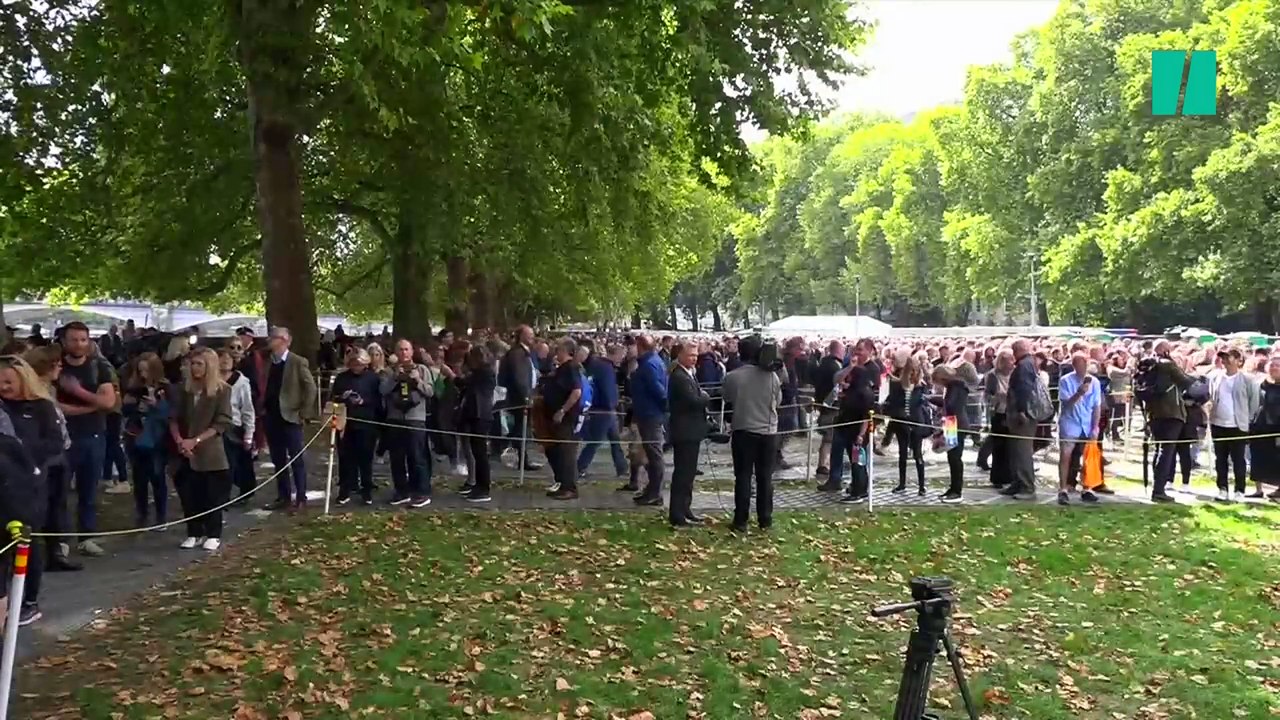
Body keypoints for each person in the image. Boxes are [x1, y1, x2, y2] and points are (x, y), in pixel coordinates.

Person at [0, 355, 66, 625]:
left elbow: (55, 444)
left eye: (8, 381)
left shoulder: (41, 407)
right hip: (4, 485)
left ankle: (29, 600)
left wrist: (24, 457)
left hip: (31, 484)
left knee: (27, 542)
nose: (3, 387)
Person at [55, 322, 118, 558]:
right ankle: (59, 538)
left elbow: (109, 402)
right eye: (74, 339)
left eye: (83, 339)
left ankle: (87, 537)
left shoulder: (99, 367)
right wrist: (92, 405)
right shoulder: (56, 366)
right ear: (64, 341)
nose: (79, 344)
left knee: (88, 490)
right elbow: (54, 407)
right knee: (59, 490)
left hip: (93, 435)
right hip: (62, 438)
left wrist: (78, 392)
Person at [168, 347, 233, 551]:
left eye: (199, 364)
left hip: (209, 449)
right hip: (184, 451)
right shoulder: (182, 390)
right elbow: (173, 418)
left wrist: (195, 440)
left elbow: (222, 422)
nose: (195, 368)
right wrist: (180, 440)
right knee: (188, 494)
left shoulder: (222, 391)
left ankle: (213, 533)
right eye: (193, 363)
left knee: (211, 495)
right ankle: (194, 532)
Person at [721, 336, 781, 533]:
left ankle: (741, 521)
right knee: (765, 478)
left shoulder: (733, 376)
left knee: (743, 477)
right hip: (768, 432)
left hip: (744, 430)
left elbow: (727, 398)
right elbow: (778, 401)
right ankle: (765, 519)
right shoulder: (772, 377)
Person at [262, 327, 318, 512]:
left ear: (284, 340)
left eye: (274, 337)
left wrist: (304, 412)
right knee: (278, 459)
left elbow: (310, 388)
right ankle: (283, 496)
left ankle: (301, 496)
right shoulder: (268, 362)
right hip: (271, 416)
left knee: (296, 458)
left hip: (290, 417)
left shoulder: (297, 362)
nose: (270, 340)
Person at [121, 352, 172, 526]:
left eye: (147, 370)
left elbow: (172, 416)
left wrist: (156, 405)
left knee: (157, 478)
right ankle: (142, 514)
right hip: (136, 438)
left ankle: (161, 516)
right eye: (140, 370)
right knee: (139, 479)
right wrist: (133, 405)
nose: (143, 375)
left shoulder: (166, 388)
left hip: (157, 440)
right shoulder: (133, 387)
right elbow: (125, 411)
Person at [381, 339, 433, 507]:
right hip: (395, 418)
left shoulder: (423, 369)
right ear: (396, 353)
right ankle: (401, 491)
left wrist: (417, 380)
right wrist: (395, 378)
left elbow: (430, 392)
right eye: (400, 350)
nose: (404, 353)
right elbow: (382, 391)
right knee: (396, 457)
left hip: (415, 419)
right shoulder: (389, 372)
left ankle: (421, 492)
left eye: (406, 349)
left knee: (417, 456)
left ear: (411, 352)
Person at [1207, 347, 1259, 502]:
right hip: (1218, 424)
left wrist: (1247, 419)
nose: (1225, 361)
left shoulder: (1247, 380)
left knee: (1238, 459)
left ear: (1238, 361)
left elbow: (1254, 402)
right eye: (1223, 358)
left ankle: (1239, 490)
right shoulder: (1216, 377)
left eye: (1229, 358)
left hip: (1238, 426)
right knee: (1220, 459)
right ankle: (1222, 488)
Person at [330, 348, 381, 505]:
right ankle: (345, 490)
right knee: (345, 458)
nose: (356, 367)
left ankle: (367, 490)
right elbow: (333, 398)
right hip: (346, 423)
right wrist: (343, 398)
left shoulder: (373, 378)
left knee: (365, 459)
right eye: (353, 363)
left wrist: (362, 401)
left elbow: (378, 401)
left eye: (359, 364)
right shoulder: (342, 378)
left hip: (366, 423)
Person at [1145, 340, 1193, 502]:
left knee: (1159, 449)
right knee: (1167, 452)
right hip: (1172, 414)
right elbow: (1186, 382)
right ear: (1165, 350)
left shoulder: (1146, 364)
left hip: (1154, 413)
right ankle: (1158, 490)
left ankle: (1157, 486)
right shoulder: (1167, 365)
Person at [667, 343, 709, 527]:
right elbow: (693, 400)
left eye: (696, 355)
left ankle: (686, 508)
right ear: (681, 356)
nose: (694, 358)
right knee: (683, 473)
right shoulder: (679, 376)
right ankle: (677, 514)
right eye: (690, 355)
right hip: (684, 431)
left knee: (689, 473)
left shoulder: (690, 374)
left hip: (692, 430)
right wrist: (705, 397)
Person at [1056, 352, 1103, 506]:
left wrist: (1095, 426)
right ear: (1074, 365)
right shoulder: (1065, 381)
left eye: (1083, 364)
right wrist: (1079, 392)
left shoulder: (1094, 382)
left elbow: (1096, 406)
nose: (1081, 368)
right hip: (1070, 422)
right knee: (1065, 455)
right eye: (1077, 364)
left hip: (1087, 422)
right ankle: (1063, 489)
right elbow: (1066, 404)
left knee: (1088, 456)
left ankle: (1087, 488)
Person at [576, 344, 628, 480]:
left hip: (603, 408)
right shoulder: (606, 368)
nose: (622, 359)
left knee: (614, 440)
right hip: (605, 409)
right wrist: (612, 403)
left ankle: (622, 467)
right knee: (595, 441)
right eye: (621, 355)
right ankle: (579, 467)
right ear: (615, 354)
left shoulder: (598, 365)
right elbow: (607, 388)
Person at [629, 335, 669, 506]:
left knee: (654, 455)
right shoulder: (652, 361)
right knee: (651, 453)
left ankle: (655, 492)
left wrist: (662, 407)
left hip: (650, 415)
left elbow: (659, 391)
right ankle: (651, 490)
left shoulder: (649, 365)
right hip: (647, 413)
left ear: (640, 346)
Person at [457, 345, 497, 503]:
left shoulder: (483, 373)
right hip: (478, 414)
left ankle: (483, 488)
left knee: (480, 453)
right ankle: (479, 486)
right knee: (477, 451)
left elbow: (463, 382)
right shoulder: (483, 373)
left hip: (480, 415)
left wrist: (450, 373)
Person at [216, 349, 256, 504]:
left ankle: (242, 493)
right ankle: (221, 497)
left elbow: (247, 409)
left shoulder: (241, 382)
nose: (225, 362)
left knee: (235, 464)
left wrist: (249, 434)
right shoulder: (212, 380)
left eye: (228, 359)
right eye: (221, 358)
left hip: (234, 427)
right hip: (216, 427)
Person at [1003, 339, 1041, 501]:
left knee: (1022, 451)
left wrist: (1021, 410)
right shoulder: (1028, 364)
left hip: (1023, 414)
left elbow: (1024, 389)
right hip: (1021, 412)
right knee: (1016, 450)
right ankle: (1017, 482)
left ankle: (1027, 486)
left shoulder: (1024, 366)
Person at [499, 326, 541, 471]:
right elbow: (519, 377)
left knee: (521, 428)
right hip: (519, 398)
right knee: (521, 428)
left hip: (524, 396)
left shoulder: (523, 352)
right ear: (521, 336)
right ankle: (517, 456)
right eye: (529, 335)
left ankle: (521, 457)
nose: (532, 337)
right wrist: (526, 396)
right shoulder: (517, 353)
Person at [930, 365, 970, 503]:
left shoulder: (956, 387)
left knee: (955, 458)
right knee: (951, 457)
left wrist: (939, 402)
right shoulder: (954, 386)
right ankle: (952, 488)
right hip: (952, 423)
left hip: (956, 424)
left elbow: (952, 405)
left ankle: (957, 491)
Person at [1249, 357, 1280, 500]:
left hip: (1277, 426)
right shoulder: (1260, 385)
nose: (1274, 368)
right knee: (1257, 457)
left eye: (1277, 365)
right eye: (1272, 365)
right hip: (1260, 425)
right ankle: (1258, 489)